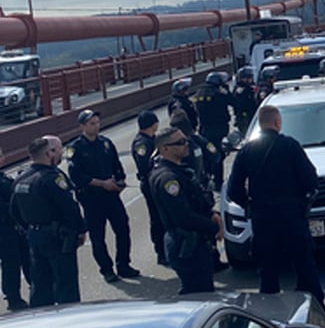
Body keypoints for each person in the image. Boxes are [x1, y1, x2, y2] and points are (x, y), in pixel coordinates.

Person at [226, 106, 325, 308]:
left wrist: (249, 205)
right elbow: (311, 180)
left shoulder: (247, 150)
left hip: (263, 217)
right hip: (292, 215)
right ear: (277, 123)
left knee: (268, 270)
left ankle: (270, 314)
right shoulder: (290, 146)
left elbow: (233, 189)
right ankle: (315, 309)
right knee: (304, 265)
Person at [11, 136, 86, 308]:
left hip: (35, 237)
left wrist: (31, 230)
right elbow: (69, 208)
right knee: (66, 285)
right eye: (58, 150)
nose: (60, 153)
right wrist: (80, 230)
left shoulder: (20, 179)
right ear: (49, 153)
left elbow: (14, 212)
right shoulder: (53, 178)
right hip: (58, 239)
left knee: (40, 285)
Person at [67, 109, 139, 283]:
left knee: (123, 229)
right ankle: (106, 269)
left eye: (97, 122)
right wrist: (101, 183)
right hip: (92, 198)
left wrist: (120, 182)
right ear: (82, 126)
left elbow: (117, 165)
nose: (96, 126)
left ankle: (124, 264)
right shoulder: (75, 148)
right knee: (98, 236)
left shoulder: (105, 143)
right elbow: (76, 176)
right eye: (91, 123)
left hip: (111, 195)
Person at [149, 127, 222, 294]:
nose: (186, 144)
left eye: (185, 140)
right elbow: (183, 217)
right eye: (180, 142)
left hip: (196, 243)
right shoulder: (168, 179)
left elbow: (197, 202)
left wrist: (212, 214)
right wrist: (212, 227)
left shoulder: (181, 171)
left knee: (204, 291)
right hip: (186, 245)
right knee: (198, 296)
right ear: (165, 149)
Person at [130, 110, 167, 266]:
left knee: (165, 216)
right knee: (157, 218)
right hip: (151, 183)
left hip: (157, 181)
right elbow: (145, 165)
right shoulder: (142, 143)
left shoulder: (152, 139)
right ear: (153, 124)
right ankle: (161, 252)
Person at [193, 71, 234, 191]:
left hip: (204, 129)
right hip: (218, 129)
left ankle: (206, 179)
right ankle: (218, 182)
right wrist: (227, 92)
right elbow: (233, 102)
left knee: (207, 154)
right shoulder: (218, 93)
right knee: (218, 155)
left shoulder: (198, 93)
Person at [0, 150, 29, 311]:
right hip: (3, 229)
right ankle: (13, 298)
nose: (2, 159)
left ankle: (36, 287)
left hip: (15, 226)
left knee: (26, 258)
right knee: (11, 263)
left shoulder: (3, 177)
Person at [232, 66, 258, 135]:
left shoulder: (252, 87)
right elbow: (238, 103)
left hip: (253, 114)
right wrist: (248, 90)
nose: (251, 80)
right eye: (249, 78)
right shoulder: (240, 90)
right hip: (244, 117)